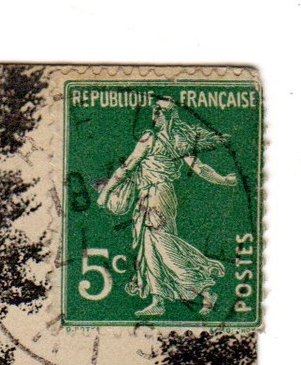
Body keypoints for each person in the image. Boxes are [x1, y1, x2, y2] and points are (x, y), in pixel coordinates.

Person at [99, 97, 239, 318]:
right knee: (150, 248)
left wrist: (106, 193)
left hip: (155, 196)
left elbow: (126, 168)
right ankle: (158, 300)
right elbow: (200, 168)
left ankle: (205, 288)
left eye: (157, 112)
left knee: (161, 245)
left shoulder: (151, 138)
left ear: (162, 115)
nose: (154, 115)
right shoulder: (179, 139)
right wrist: (223, 180)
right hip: (157, 196)